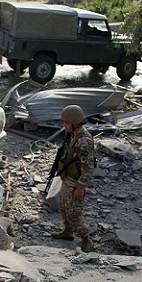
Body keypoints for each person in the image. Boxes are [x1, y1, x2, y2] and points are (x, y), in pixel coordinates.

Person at [51, 105, 96, 252]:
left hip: (75, 182)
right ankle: (68, 232)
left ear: (75, 123)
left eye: (66, 122)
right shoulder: (73, 135)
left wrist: (81, 187)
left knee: (74, 213)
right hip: (67, 178)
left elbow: (88, 166)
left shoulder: (84, 141)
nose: (64, 125)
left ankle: (86, 239)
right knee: (64, 207)